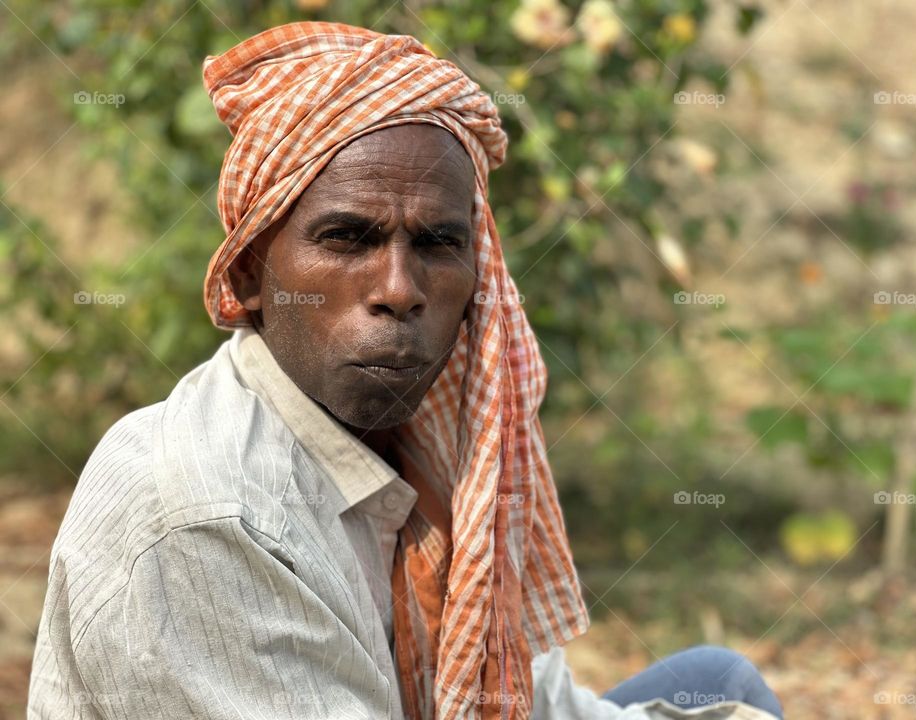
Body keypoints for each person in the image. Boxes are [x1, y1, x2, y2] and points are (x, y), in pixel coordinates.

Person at [28, 22, 783, 720]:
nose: (399, 288)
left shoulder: (434, 455)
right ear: (255, 273)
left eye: (436, 244)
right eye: (348, 237)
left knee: (722, 685)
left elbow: (528, 701)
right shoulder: (205, 514)